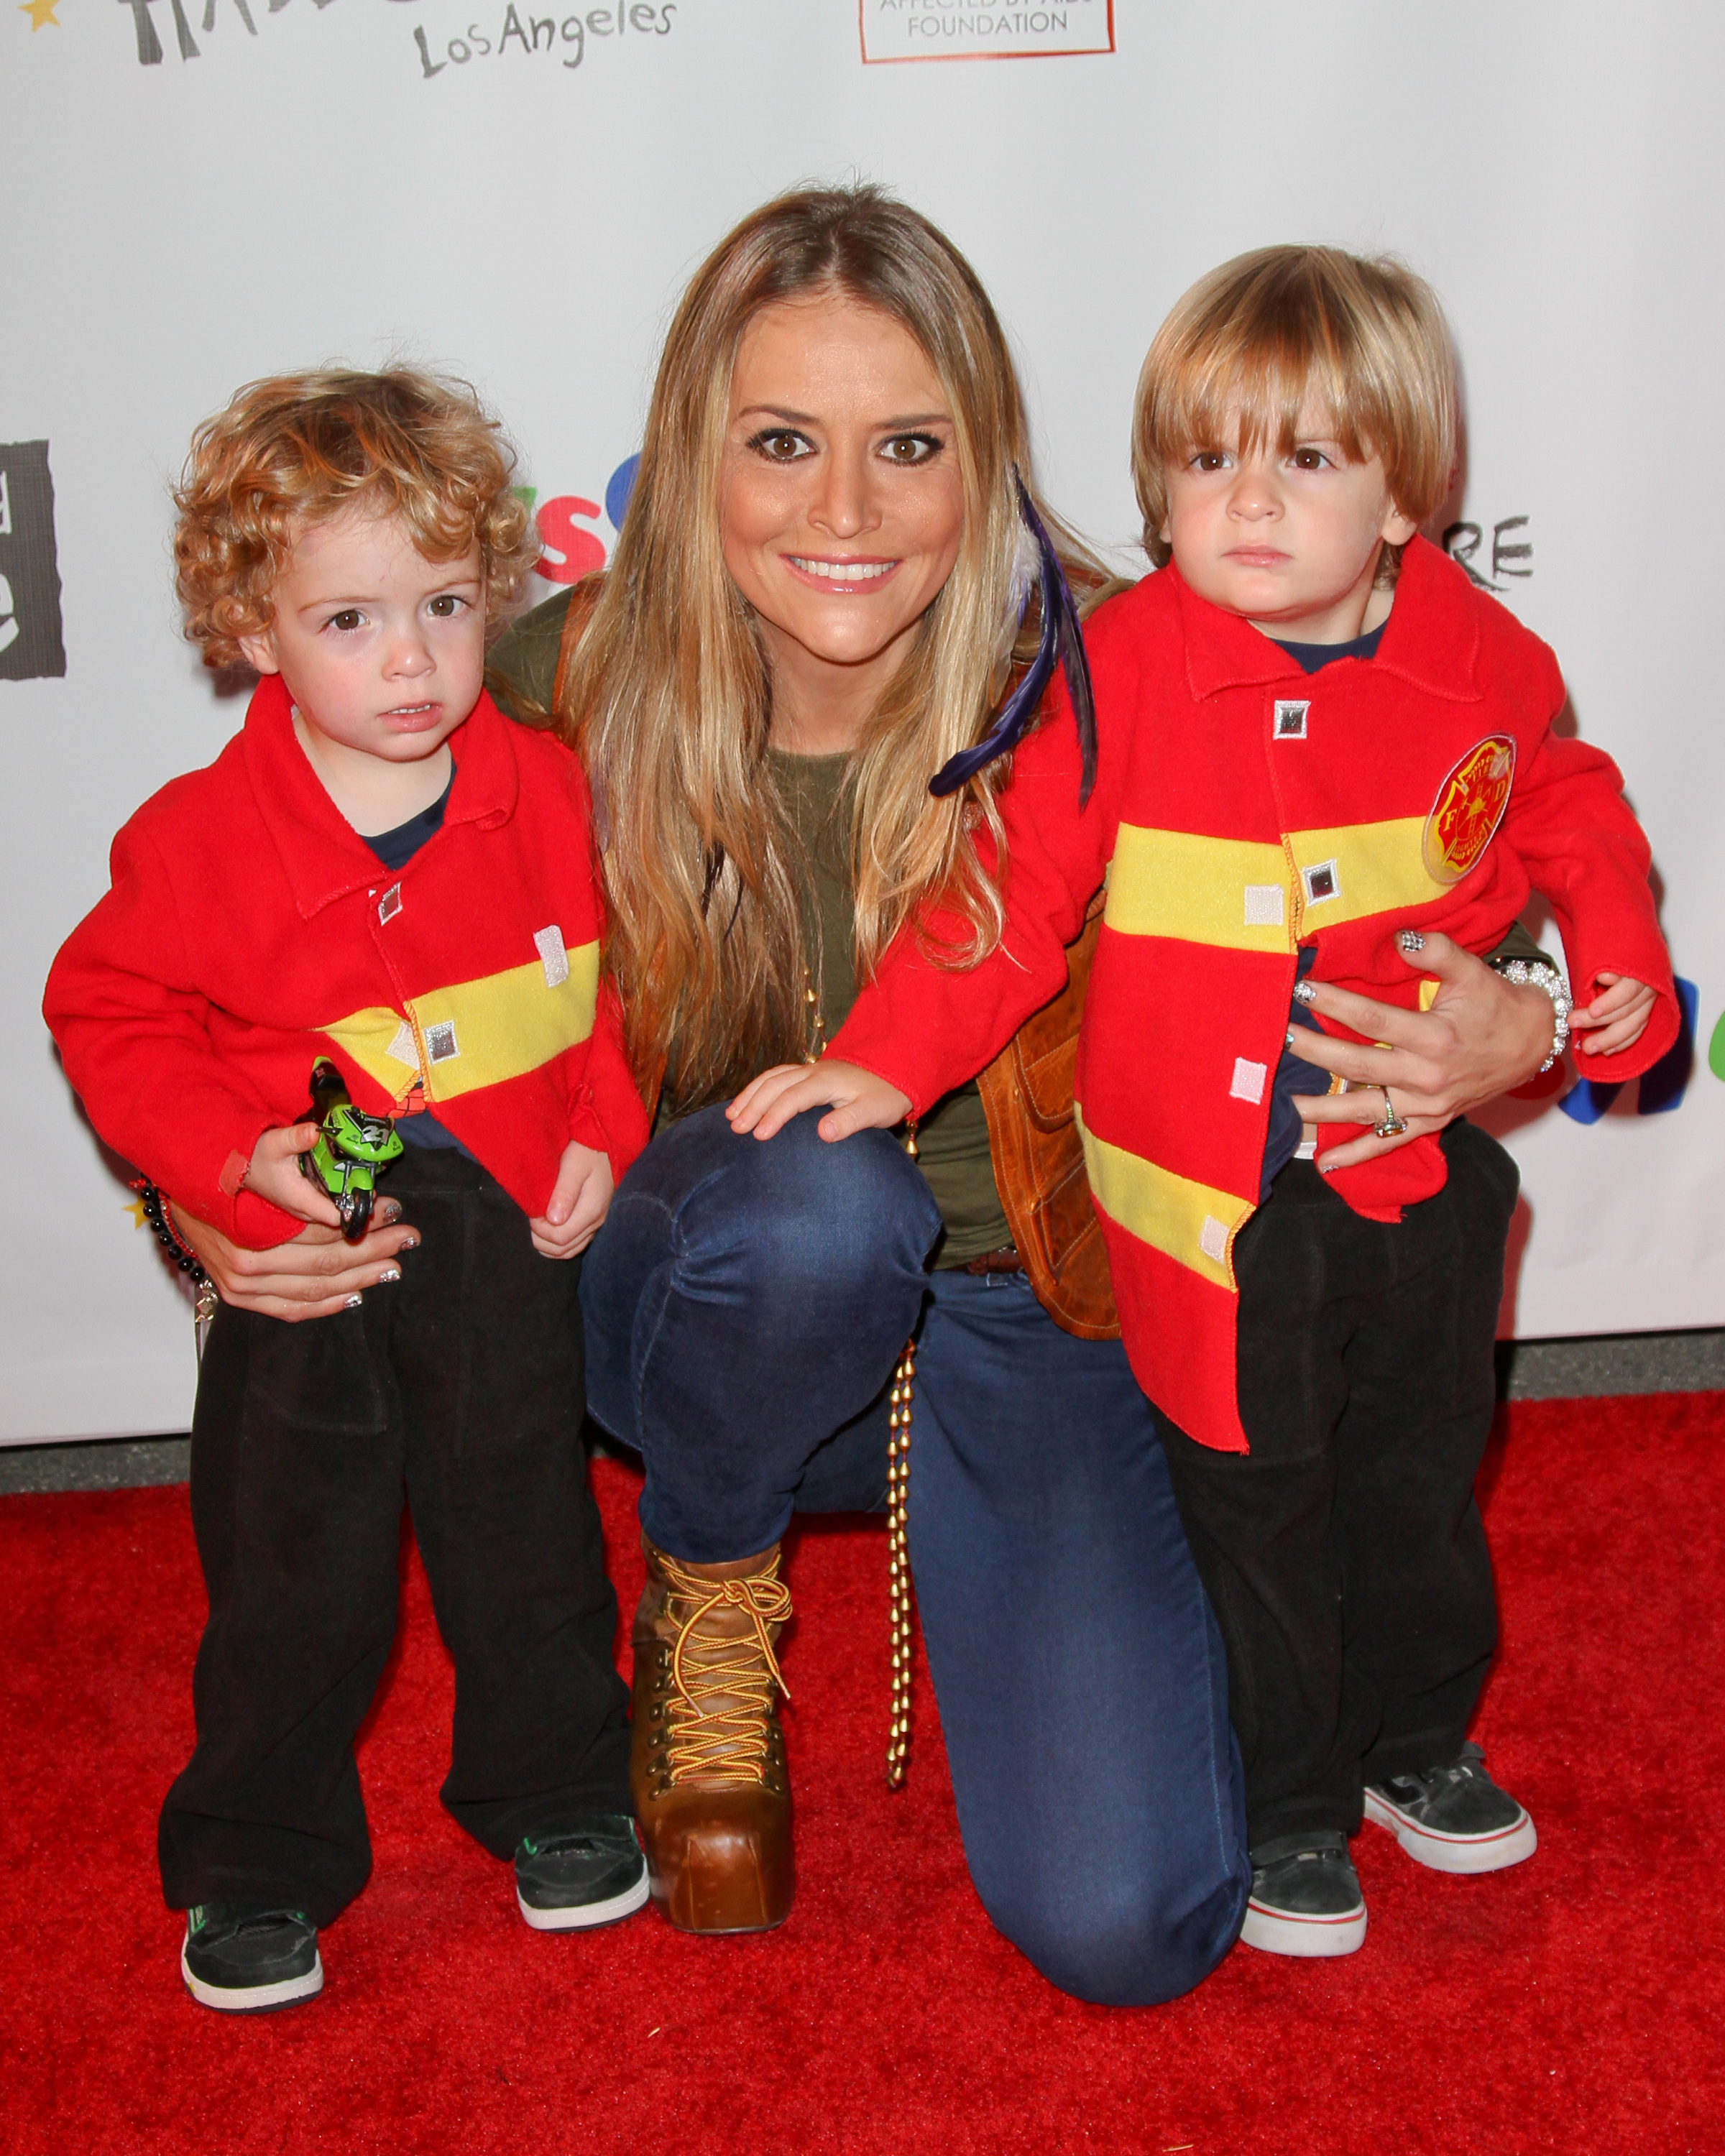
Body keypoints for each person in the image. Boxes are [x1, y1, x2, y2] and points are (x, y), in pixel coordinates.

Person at [168, 193, 1561, 2006]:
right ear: (694, 454)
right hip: (678, 1302)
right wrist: (206, 1190)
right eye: (781, 445)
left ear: (982, 454)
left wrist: (1516, 1025)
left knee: (1131, 1929)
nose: (843, 513)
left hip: (1039, 1320)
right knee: (831, 1197)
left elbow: (1454, 843)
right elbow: (263, 976)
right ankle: (712, 1591)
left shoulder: (1134, 675)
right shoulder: (536, 688)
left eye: (906, 446)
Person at [735, 246, 1679, 1960]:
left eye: (1305, 460)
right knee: (1259, 1508)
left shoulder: (1488, 657)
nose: (1246, 500)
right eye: (1204, 458)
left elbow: (1570, 810)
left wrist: (1597, 972)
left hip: (1419, 1189)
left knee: (1418, 1482)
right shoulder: (1111, 672)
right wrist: (884, 1054)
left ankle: (1417, 1741)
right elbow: (1001, 907)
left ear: (1407, 495)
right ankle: (1298, 1800)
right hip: (1213, 1217)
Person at [42, 372, 652, 2013]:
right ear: (251, 626)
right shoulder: (194, 838)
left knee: (526, 1533)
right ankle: (253, 1858)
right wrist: (226, 1164)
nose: (410, 659)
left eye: (447, 606)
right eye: (350, 617)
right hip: (306, 1248)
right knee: (291, 1566)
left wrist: (604, 1123)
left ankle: (558, 1795)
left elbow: (613, 994)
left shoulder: (552, 789)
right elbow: (103, 1008)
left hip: (505, 1234)